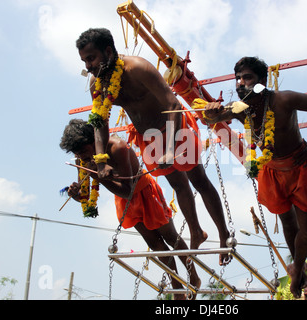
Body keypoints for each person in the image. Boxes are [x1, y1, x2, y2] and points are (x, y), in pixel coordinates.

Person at [75, 28, 231, 265]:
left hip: (173, 128)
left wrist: (170, 148)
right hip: (147, 136)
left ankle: (223, 235)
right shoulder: (97, 83)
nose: (88, 66)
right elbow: (99, 122)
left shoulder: (137, 68)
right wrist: (101, 160)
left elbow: (173, 104)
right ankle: (196, 232)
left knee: (197, 179)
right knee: (177, 183)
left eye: (91, 58)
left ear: (108, 51)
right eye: (84, 61)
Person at [204, 57, 307, 298]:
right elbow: (210, 119)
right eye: (238, 79)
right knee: (287, 223)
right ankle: (298, 267)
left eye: (247, 78)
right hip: (272, 171)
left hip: (299, 164)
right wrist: (209, 111)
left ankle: (297, 266)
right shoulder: (238, 108)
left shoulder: (283, 99)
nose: (241, 83)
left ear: (262, 81)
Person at [60, 119, 201, 299]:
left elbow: (128, 190)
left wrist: (102, 177)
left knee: (170, 237)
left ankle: (194, 276)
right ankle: (177, 286)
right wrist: (76, 195)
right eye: (78, 155)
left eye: (85, 152)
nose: (83, 159)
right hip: (124, 202)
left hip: (142, 192)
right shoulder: (85, 160)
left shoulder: (117, 147)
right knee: (155, 244)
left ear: (94, 141)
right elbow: (86, 198)